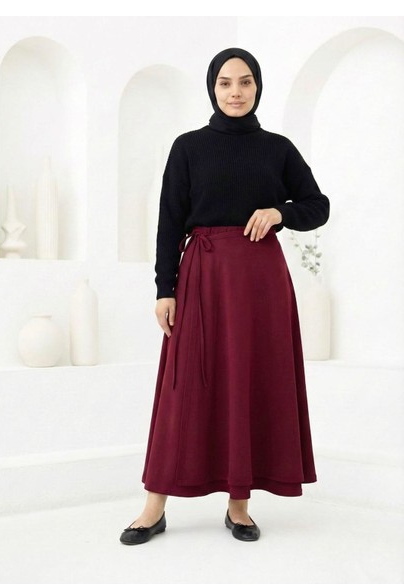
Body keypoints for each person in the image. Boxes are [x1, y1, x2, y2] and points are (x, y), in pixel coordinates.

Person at [120, 47, 330, 545]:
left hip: (261, 283)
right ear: (213, 87)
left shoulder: (278, 148)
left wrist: (280, 213)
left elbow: (317, 205)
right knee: (183, 386)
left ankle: (239, 505)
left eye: (246, 82)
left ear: (258, 87)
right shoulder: (188, 147)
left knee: (249, 381)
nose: (236, 92)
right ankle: (154, 506)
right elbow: (170, 221)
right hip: (203, 276)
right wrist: (165, 289)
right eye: (226, 83)